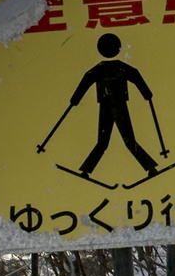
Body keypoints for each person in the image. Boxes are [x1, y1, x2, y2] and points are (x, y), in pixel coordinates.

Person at [68, 34, 158, 178]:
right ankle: (150, 168)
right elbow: (135, 75)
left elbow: (86, 80)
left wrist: (75, 100)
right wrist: (146, 94)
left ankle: (150, 167)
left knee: (110, 142)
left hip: (113, 106)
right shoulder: (117, 67)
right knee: (119, 141)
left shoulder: (101, 68)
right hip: (111, 106)